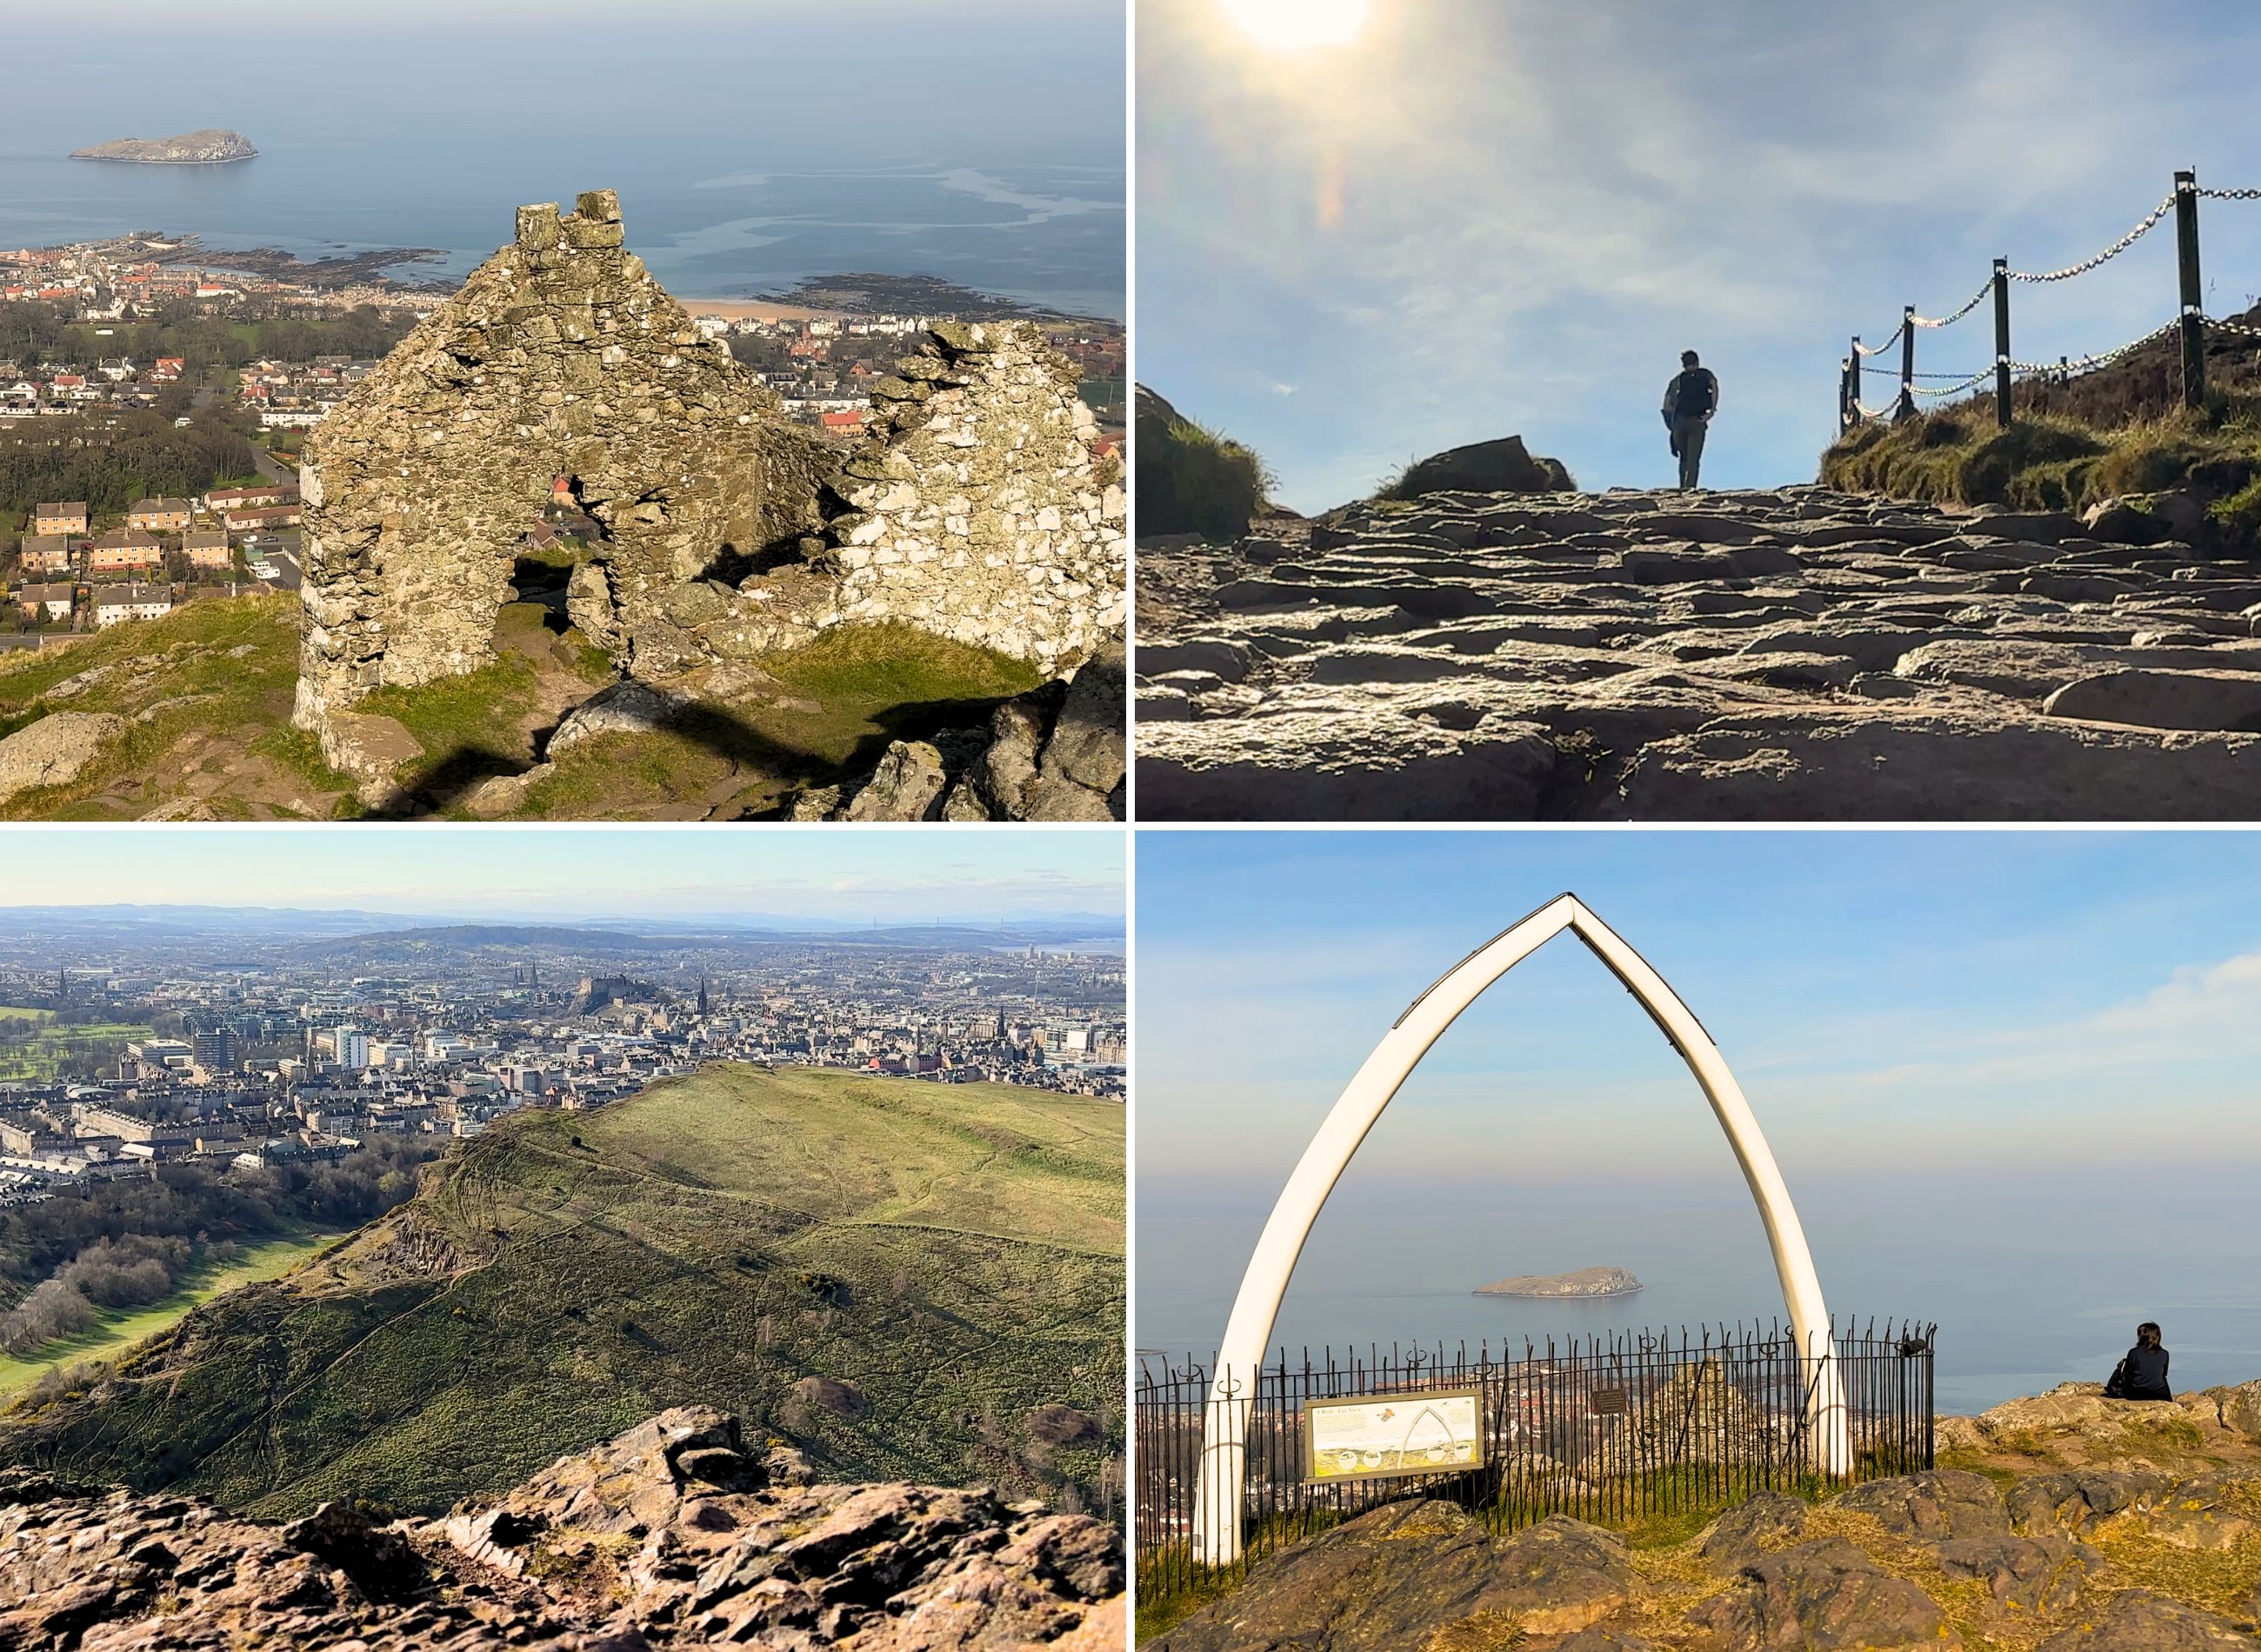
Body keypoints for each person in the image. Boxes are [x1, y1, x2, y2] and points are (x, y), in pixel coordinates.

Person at [1661, 350, 1719, 490]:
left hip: (1679, 422)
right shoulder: (1705, 374)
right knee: (1693, 459)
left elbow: (1666, 405)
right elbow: (1714, 387)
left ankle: (1682, 486)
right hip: (1697, 420)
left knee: (1684, 458)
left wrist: (1672, 424)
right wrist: (1711, 411)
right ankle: (1690, 488)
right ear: (1697, 362)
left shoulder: (1677, 380)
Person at [2104, 1322, 2172, 1401]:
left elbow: (2128, 1374)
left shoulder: (2134, 1352)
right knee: (2164, 1381)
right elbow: (2164, 1373)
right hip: (2159, 1393)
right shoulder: (2164, 1353)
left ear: (2142, 1336)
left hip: (2137, 1393)